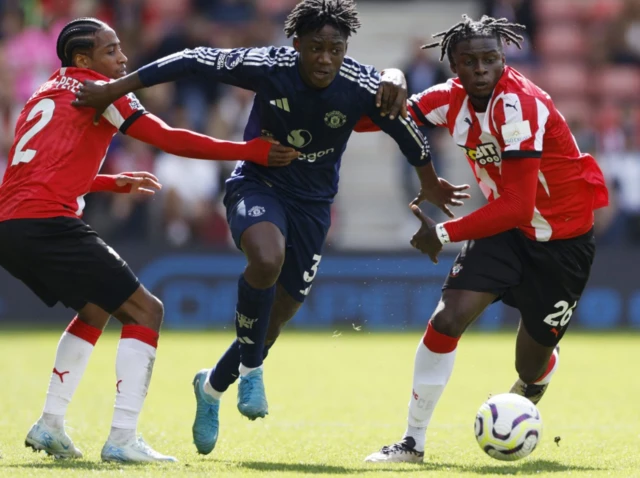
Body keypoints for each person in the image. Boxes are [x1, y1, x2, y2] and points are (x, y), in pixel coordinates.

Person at [73, 0, 470, 456]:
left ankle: (211, 387)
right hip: (257, 185)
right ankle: (253, 371)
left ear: (346, 49)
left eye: (335, 49)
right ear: (296, 44)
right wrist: (114, 90)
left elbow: (405, 131)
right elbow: (191, 60)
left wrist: (430, 182)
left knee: (277, 317)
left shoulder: (359, 84)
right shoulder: (267, 64)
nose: (325, 58)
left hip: (314, 206)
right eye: (315, 47)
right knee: (266, 258)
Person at [0, 17, 297, 463]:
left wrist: (107, 183)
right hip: (47, 222)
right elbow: (167, 137)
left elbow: (34, 172)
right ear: (84, 60)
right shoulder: (103, 90)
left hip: (11, 225)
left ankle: (50, 425)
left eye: (120, 48)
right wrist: (247, 151)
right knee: (146, 310)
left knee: (97, 306)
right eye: (110, 50)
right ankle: (122, 438)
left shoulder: (44, 93)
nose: (122, 58)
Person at [355, 15, 609, 463]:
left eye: (490, 59)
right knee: (448, 318)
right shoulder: (446, 99)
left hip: (562, 242)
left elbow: (515, 201)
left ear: (503, 58)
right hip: (506, 233)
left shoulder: (519, 105)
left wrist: (444, 232)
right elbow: (369, 122)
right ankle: (412, 442)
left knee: (529, 367)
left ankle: (541, 370)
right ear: (452, 64)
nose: (480, 68)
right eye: (469, 60)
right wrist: (391, 78)